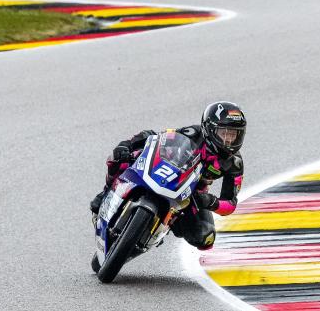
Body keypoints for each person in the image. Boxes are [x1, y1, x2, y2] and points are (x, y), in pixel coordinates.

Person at [90, 101, 246, 251]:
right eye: (224, 134)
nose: (229, 141)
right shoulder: (193, 133)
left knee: (206, 239)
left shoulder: (235, 164)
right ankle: (106, 191)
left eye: (234, 135)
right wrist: (127, 145)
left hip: (193, 193)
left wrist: (210, 201)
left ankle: (164, 224)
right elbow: (157, 137)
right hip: (167, 169)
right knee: (120, 156)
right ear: (209, 129)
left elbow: (230, 204)